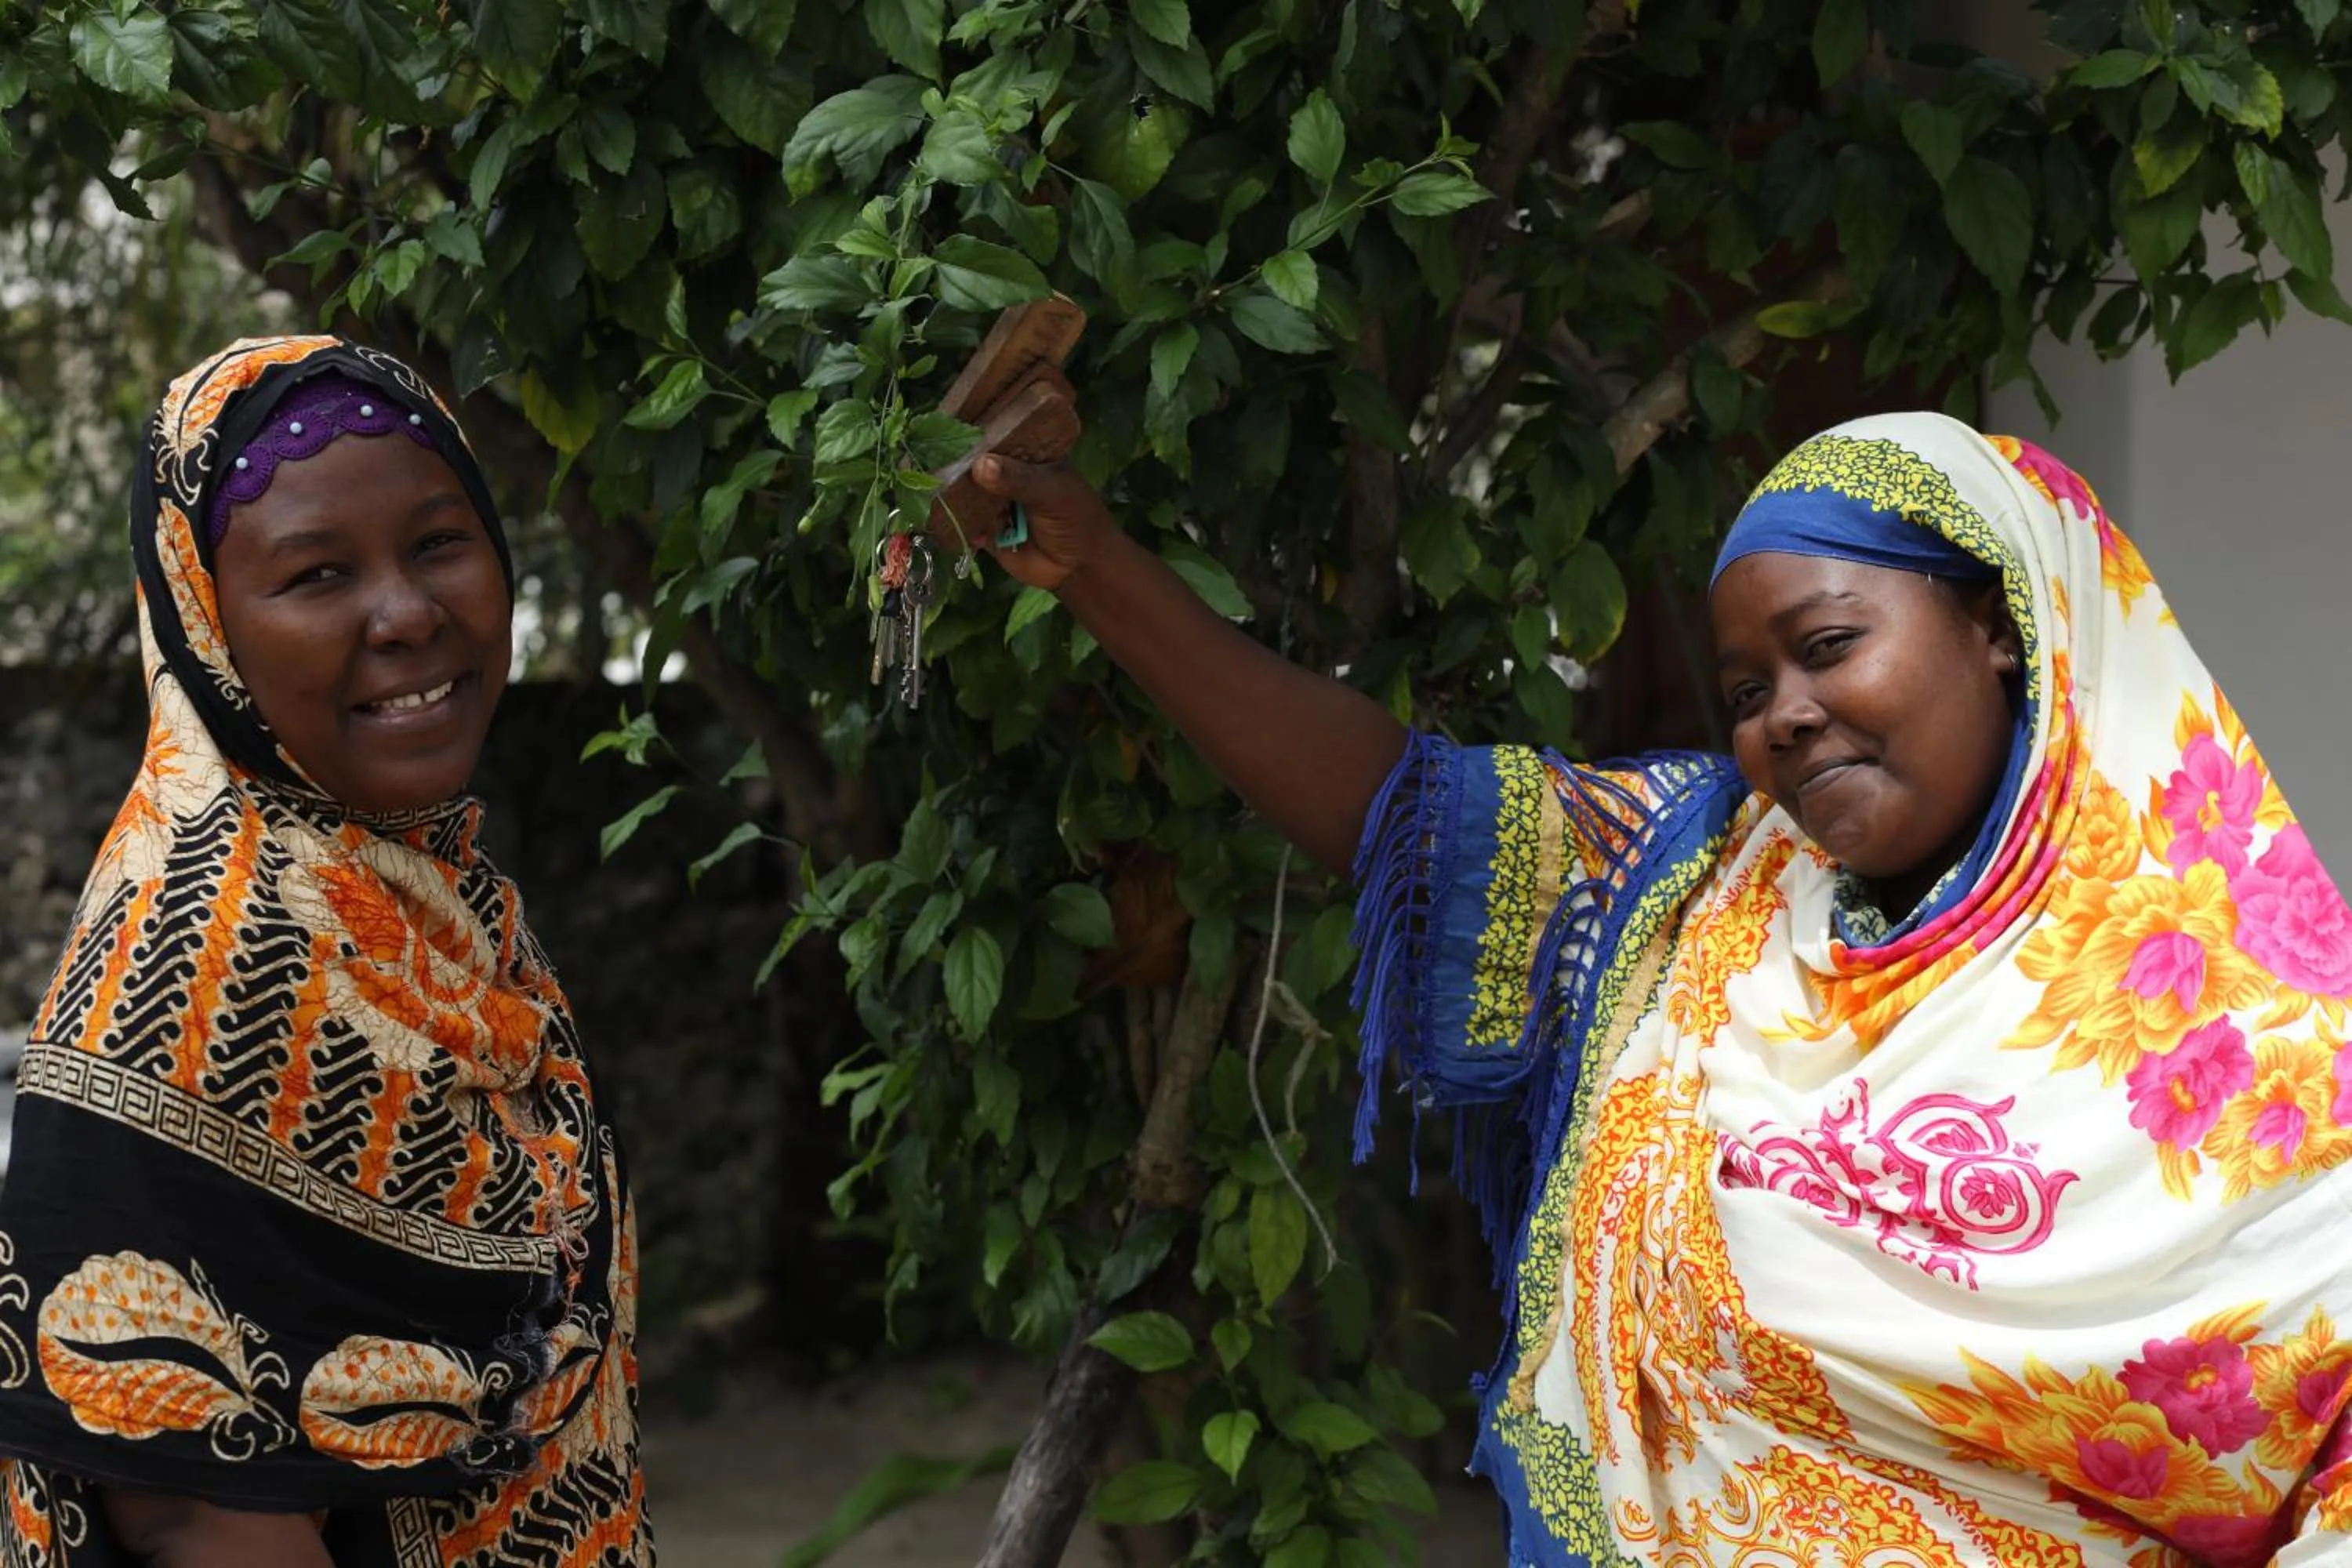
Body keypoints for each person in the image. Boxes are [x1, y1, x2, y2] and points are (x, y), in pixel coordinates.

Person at [968, 412, 2352, 1563]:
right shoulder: (1701, 885)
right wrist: (1098, 571)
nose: (1780, 719)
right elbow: (1403, 810)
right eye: (1744, 690)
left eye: (1826, 647)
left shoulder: (2274, 1057)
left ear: (2001, 624)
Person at [0, 337, 651, 1566]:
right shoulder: (205, 943)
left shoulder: (420, 899)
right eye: (317, 574)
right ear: (207, 625)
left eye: (440, 544)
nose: (408, 615)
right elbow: (188, 1508)